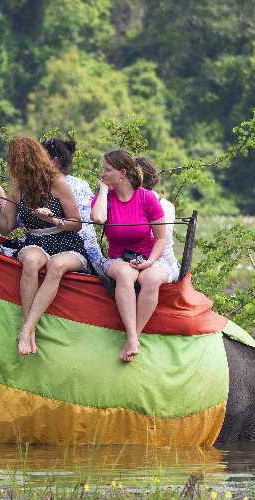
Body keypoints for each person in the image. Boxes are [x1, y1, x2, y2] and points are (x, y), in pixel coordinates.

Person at [0, 137, 90, 356]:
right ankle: (28, 330)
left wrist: (53, 220)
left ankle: (28, 328)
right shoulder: (18, 188)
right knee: (31, 261)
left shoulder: (57, 183)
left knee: (56, 266)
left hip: (65, 240)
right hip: (35, 240)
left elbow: (76, 224)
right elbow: (6, 227)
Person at [91, 149, 180, 362]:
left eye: (107, 170)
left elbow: (160, 238)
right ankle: (131, 335)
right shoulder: (106, 199)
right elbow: (98, 219)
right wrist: (103, 191)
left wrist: (150, 261)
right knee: (125, 274)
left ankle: (134, 337)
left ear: (122, 173)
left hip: (149, 258)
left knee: (150, 278)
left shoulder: (147, 198)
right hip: (117, 259)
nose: (102, 174)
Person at [43, 138, 104, 266]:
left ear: (54, 161)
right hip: (90, 251)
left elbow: (80, 224)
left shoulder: (66, 186)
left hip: (75, 249)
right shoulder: (81, 184)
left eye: (40, 157)